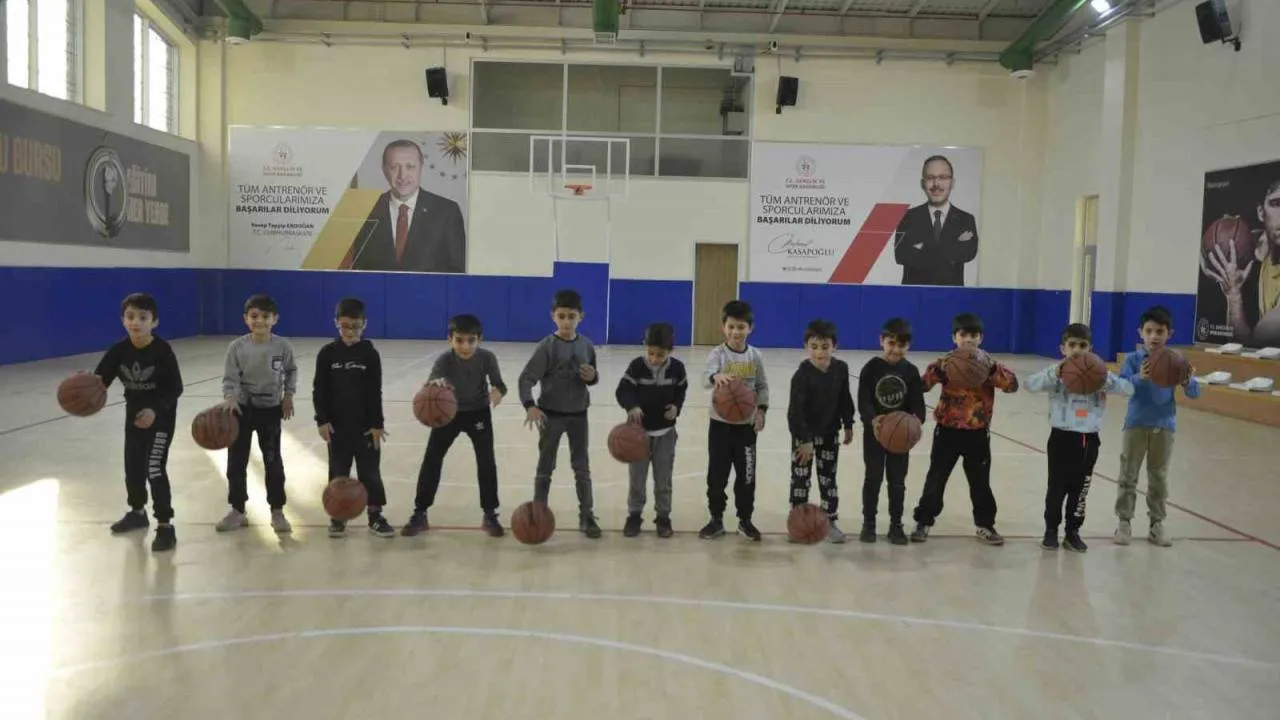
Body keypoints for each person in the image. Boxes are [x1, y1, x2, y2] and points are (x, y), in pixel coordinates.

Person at [910, 313, 1018, 545]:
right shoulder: (946, 364)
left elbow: (1012, 385)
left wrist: (991, 369)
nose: (968, 339)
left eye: (974, 335)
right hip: (947, 431)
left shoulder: (988, 364)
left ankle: (985, 525)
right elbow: (922, 385)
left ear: (981, 338)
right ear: (954, 337)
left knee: (980, 482)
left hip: (977, 433)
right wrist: (938, 370)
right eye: (963, 335)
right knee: (936, 478)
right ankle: (924, 521)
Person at [1024, 323, 1133, 553]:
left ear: (1090, 348)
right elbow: (1030, 385)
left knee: (1080, 489)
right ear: (1062, 348)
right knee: (1056, 487)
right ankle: (1051, 530)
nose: (1077, 349)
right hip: (1061, 437)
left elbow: (1128, 389)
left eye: (1082, 345)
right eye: (1072, 345)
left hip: (1089, 438)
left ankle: (1072, 532)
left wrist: (1105, 380)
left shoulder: (1099, 372)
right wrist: (1053, 374)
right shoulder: (1056, 372)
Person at [404, 314, 508, 538]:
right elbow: (432, 382)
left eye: (471, 340)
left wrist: (497, 392)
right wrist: (434, 385)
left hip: (478, 412)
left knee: (486, 462)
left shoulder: (487, 358)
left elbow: (500, 384)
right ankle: (420, 512)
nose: (465, 346)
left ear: (480, 339)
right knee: (432, 459)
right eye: (459, 340)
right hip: (448, 415)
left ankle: (490, 514)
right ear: (449, 339)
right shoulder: (444, 360)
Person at [95, 293, 184, 553]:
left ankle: (165, 524)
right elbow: (101, 379)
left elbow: (175, 388)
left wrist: (154, 411)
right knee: (133, 467)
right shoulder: (119, 350)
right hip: (133, 417)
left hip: (160, 419)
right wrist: (86, 386)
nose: (136, 322)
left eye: (143, 317)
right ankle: (137, 512)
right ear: (123, 320)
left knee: (154, 468)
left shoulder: (162, 351)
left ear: (154, 322)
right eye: (130, 316)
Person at [1113, 306, 1200, 547]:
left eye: (1159, 331)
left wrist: (1187, 381)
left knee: (1158, 477)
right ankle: (1124, 522)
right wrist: (1138, 378)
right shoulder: (1133, 360)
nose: (1154, 336)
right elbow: (1120, 387)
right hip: (1136, 424)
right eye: (1149, 331)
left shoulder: (1176, 361)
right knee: (1128, 475)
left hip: (1164, 425)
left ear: (1169, 334)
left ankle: (1156, 523)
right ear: (1140, 332)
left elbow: (1194, 393)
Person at [518, 290, 602, 538]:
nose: (566, 322)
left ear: (581, 317)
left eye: (571, 316)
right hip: (550, 415)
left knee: (582, 467)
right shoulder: (547, 347)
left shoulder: (587, 346)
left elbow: (592, 376)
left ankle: (587, 515)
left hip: (578, 415)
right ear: (553, 316)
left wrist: (593, 377)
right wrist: (529, 405)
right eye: (561, 316)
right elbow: (526, 379)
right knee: (545, 467)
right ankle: (538, 514)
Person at [216, 294, 298, 534]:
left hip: (270, 410)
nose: (259, 321)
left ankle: (277, 511)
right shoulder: (237, 347)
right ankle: (237, 510)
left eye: (265, 316)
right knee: (236, 462)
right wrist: (230, 397)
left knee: (273, 461)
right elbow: (230, 377)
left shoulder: (282, 346)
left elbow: (291, 371)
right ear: (246, 319)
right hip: (241, 410)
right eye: (254, 316)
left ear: (275, 319)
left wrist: (288, 395)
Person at [313, 297, 394, 539]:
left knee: (370, 473)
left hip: (365, 428)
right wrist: (321, 420)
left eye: (355, 327)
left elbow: (375, 391)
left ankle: (375, 515)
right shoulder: (327, 353)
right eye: (345, 326)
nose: (350, 331)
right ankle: (338, 516)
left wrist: (377, 424)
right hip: (337, 428)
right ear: (336, 323)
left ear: (364, 324)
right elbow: (319, 390)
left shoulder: (370, 354)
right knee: (338, 472)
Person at [698, 300, 770, 542]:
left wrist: (761, 411)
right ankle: (716, 519)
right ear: (723, 327)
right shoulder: (718, 354)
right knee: (717, 475)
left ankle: (745, 520)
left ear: (750, 328)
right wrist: (715, 376)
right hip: (720, 426)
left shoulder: (755, 356)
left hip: (746, 428)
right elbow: (704, 378)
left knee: (746, 477)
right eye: (731, 327)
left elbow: (762, 386)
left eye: (741, 327)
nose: (735, 332)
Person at [344, 139, 466, 274]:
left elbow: (457, 272)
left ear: (421, 167)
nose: (402, 175)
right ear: (384, 170)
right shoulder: (366, 210)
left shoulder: (447, 212)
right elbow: (358, 268)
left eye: (410, 167)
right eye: (394, 167)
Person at [615, 322, 688, 539]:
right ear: (645, 347)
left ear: (670, 350)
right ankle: (634, 515)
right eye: (651, 353)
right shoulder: (636, 366)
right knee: (637, 479)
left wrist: (676, 407)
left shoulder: (678, 369)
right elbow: (623, 390)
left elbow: (681, 392)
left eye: (660, 354)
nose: (655, 358)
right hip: (638, 435)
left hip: (665, 434)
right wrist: (632, 406)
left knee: (663, 479)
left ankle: (663, 517)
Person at [857, 318, 926, 545]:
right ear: (881, 341)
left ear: (909, 345)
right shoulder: (871, 368)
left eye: (901, 345)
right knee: (873, 478)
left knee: (897, 482)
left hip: (900, 438)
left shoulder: (911, 371)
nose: (896, 349)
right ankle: (869, 523)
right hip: (875, 434)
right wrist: (873, 419)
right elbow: (863, 401)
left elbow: (918, 405)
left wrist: (915, 422)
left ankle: (896, 525)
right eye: (891, 343)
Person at [786, 319, 855, 543]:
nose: (819, 352)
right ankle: (797, 522)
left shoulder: (840, 369)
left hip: (829, 435)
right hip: (803, 436)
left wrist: (848, 424)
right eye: (814, 347)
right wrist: (804, 440)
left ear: (835, 346)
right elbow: (794, 412)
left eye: (825, 347)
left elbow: (845, 399)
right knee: (800, 480)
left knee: (828, 480)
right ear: (806, 347)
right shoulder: (801, 375)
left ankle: (830, 521)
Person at [1200, 178, 1280, 346]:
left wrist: (1234, 297)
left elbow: (1250, 345)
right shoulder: (1258, 248)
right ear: (1261, 212)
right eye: (1277, 204)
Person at [892, 155, 979, 287]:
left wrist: (922, 248)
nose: (936, 184)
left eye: (943, 177)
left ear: (952, 183)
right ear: (922, 184)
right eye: (930, 178)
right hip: (915, 295)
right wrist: (953, 245)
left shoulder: (965, 219)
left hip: (951, 295)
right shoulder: (908, 217)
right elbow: (901, 256)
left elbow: (968, 254)